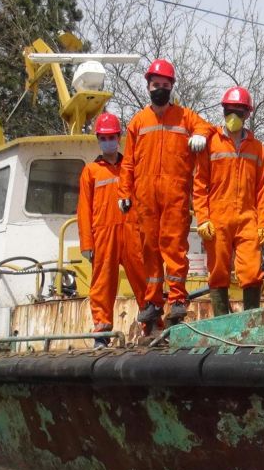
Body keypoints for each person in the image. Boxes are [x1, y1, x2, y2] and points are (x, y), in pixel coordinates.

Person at [117, 58, 212, 327]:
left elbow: (206, 127)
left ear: (172, 87)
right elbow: (129, 162)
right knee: (149, 248)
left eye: (165, 84)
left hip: (175, 194)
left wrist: (201, 135)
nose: (160, 88)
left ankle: (178, 300)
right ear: (148, 86)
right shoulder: (138, 122)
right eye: (156, 84)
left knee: (174, 247)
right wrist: (124, 192)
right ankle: (153, 301)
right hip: (145, 197)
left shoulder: (185, 116)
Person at [194, 86, 264, 315]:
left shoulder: (258, 149)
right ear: (224, 111)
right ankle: (221, 321)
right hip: (218, 217)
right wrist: (203, 218)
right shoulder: (210, 143)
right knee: (218, 271)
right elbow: (200, 184)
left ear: (248, 113)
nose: (233, 115)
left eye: (239, 110)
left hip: (248, 217)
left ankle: (251, 322)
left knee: (252, 270)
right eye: (229, 110)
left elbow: (263, 189)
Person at [77, 113, 149, 345]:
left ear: (119, 137)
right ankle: (102, 332)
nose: (108, 141)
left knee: (144, 281)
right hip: (103, 236)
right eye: (103, 137)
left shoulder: (130, 168)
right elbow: (84, 210)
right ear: (98, 138)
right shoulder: (90, 171)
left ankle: (152, 326)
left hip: (132, 234)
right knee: (102, 286)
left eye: (111, 137)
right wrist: (87, 244)